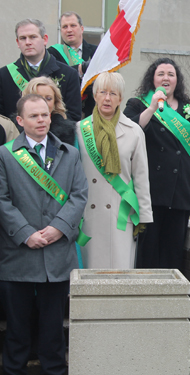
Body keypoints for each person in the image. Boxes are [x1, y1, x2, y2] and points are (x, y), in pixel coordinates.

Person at [0, 94, 87, 375]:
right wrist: (26, 234)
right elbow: (1, 200)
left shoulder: (69, 153)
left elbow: (79, 195)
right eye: (34, 116)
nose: (41, 120)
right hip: (19, 255)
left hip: (57, 254)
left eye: (45, 115)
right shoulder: (5, 154)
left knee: (52, 330)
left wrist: (58, 228)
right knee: (16, 329)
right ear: (20, 120)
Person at [123, 57, 190, 271]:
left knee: (173, 250)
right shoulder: (137, 104)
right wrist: (152, 107)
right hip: (152, 188)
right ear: (152, 79)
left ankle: (171, 296)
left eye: (171, 74)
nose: (166, 78)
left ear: (177, 80)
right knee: (148, 248)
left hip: (182, 188)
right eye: (161, 74)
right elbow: (129, 132)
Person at [77, 72, 153, 269]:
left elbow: (141, 177)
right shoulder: (79, 130)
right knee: (89, 276)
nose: (107, 98)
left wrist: (143, 216)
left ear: (121, 98)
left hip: (121, 213)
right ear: (95, 96)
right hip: (89, 215)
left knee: (119, 274)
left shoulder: (134, 131)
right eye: (102, 92)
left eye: (113, 93)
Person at [0, 19, 82, 122]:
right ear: (17, 42)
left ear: (45, 39)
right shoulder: (4, 75)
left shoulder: (69, 74)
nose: (28, 42)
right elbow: (2, 119)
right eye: (23, 38)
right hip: (17, 136)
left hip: (56, 137)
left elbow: (73, 117)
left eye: (33, 37)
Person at [48, 12, 98, 118]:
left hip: (93, 111)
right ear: (61, 30)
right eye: (65, 27)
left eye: (73, 25)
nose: (69, 30)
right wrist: (80, 69)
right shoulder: (52, 53)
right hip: (66, 112)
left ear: (82, 28)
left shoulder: (97, 51)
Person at [19, 76, 76, 146]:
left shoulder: (70, 132)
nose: (43, 102)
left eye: (48, 98)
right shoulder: (13, 130)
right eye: (37, 98)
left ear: (55, 102)